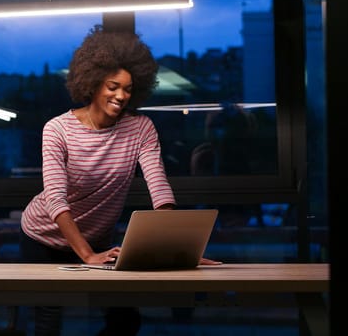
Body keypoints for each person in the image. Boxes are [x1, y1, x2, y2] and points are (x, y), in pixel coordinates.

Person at [20, 25, 221, 336]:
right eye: (113, 86)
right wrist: (86, 255)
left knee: (125, 320)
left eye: (128, 89)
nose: (121, 96)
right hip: (43, 237)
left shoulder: (140, 128)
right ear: (93, 82)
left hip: (98, 239)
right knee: (48, 323)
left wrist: (176, 249)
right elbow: (55, 197)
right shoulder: (57, 129)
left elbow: (158, 186)